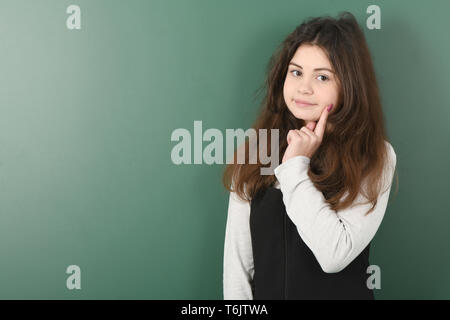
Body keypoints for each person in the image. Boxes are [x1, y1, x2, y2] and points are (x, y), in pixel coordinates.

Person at [222, 11, 398, 300]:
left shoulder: (375, 154)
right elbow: (238, 266)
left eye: (323, 76)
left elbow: (334, 255)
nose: (304, 87)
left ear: (348, 86)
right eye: (296, 72)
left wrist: (294, 167)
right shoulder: (256, 148)